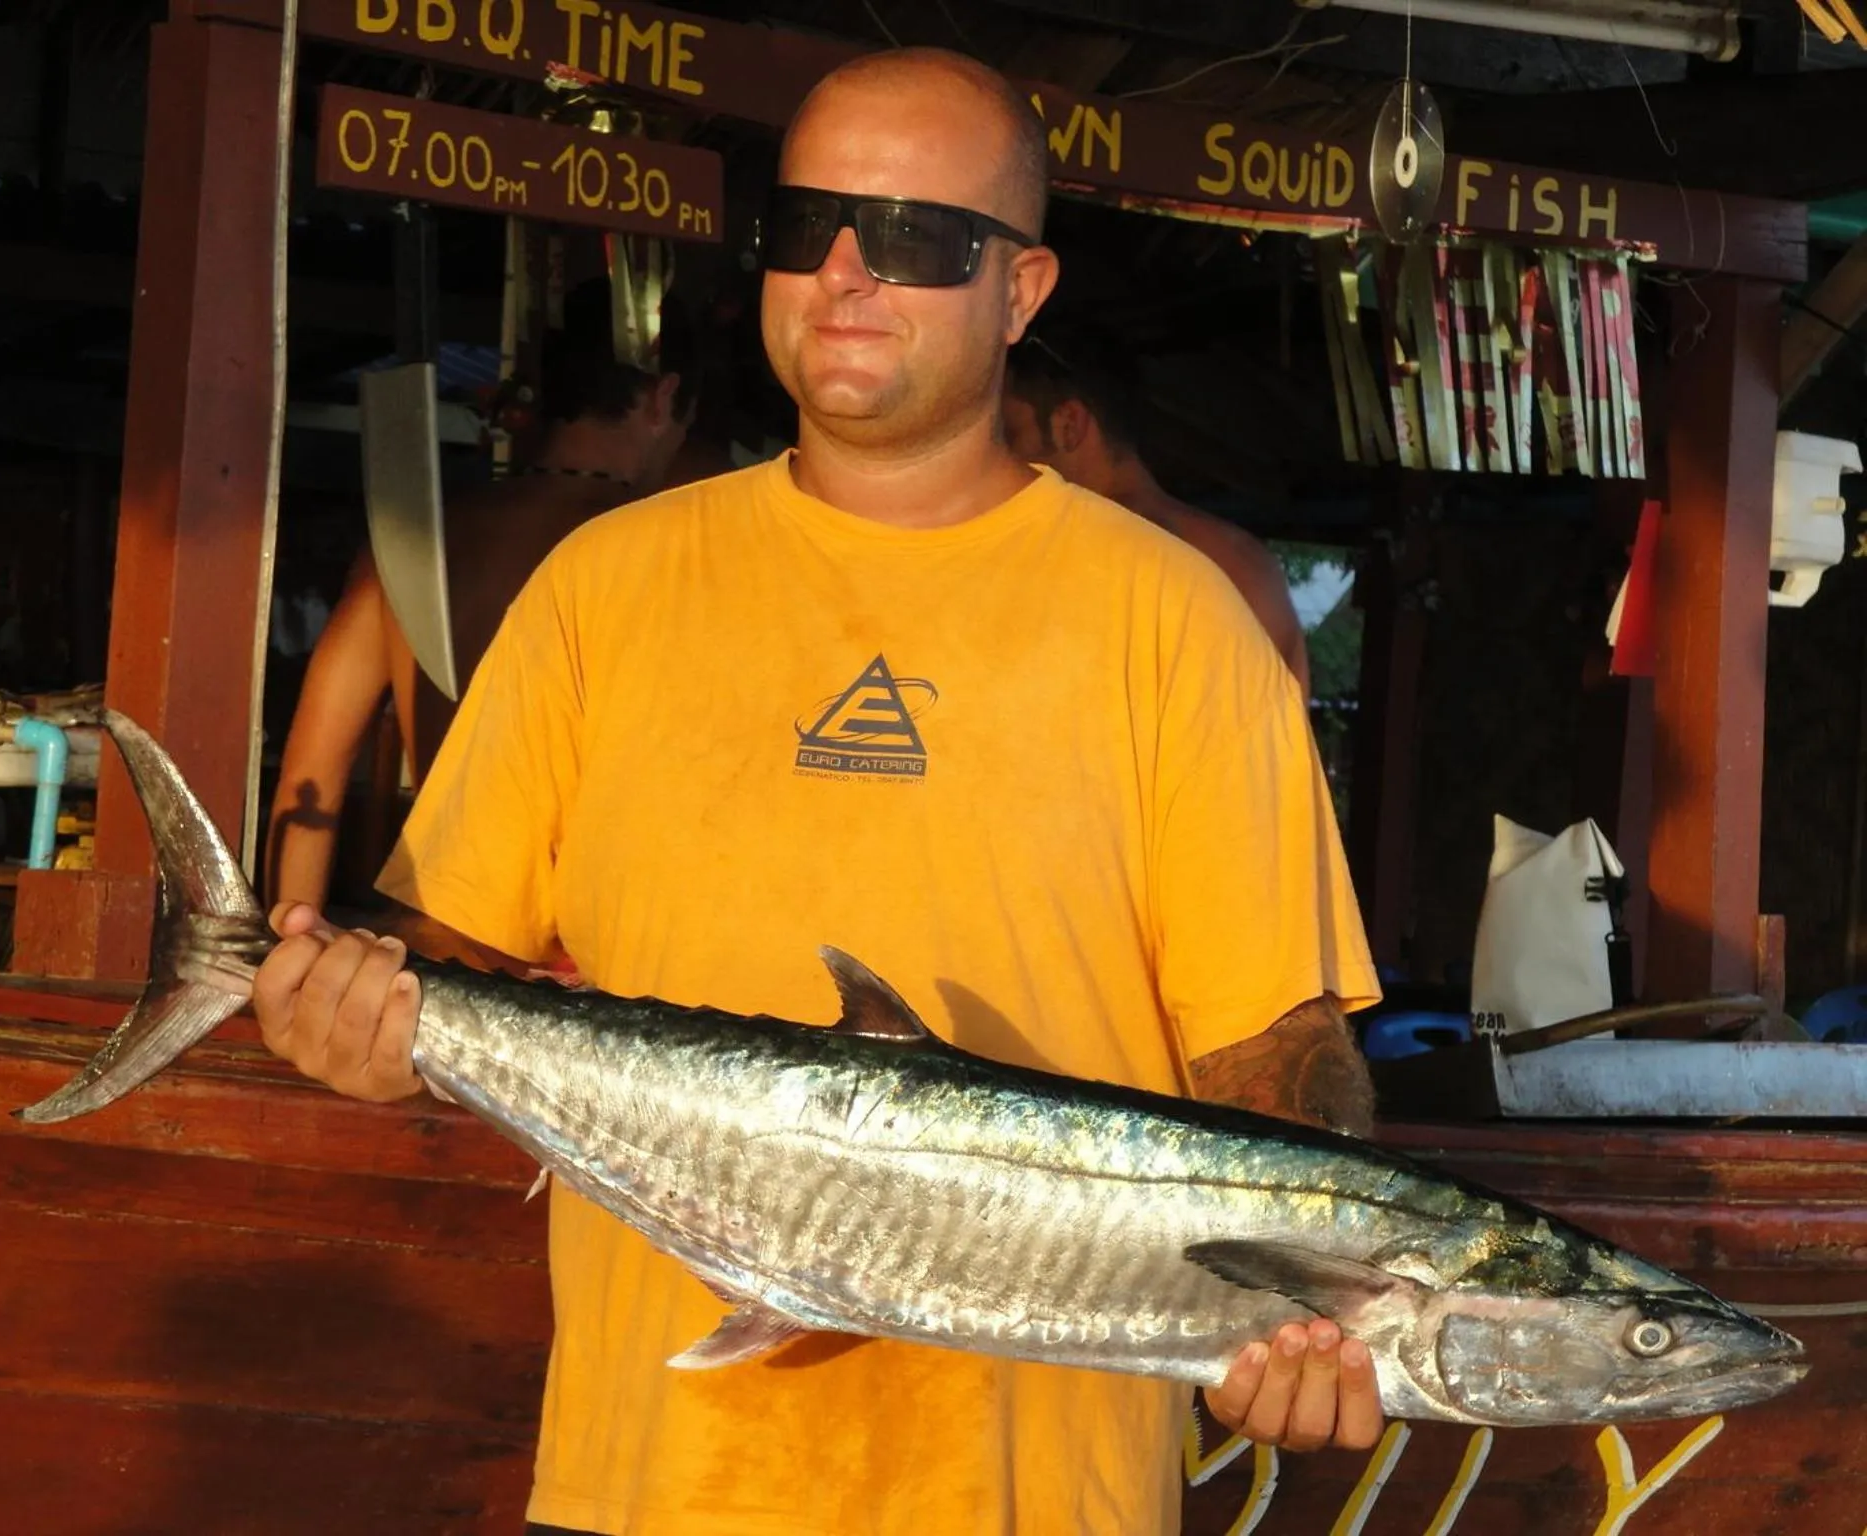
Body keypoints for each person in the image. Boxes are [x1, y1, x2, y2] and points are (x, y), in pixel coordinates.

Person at [251, 46, 1383, 1536]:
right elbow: (449, 963)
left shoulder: (1175, 625)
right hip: (649, 1480)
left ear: (1022, 292)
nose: (847, 272)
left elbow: (1276, 1056)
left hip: (1036, 1498)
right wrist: (356, 1026)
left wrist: (1327, 1310)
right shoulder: (608, 586)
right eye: (809, 228)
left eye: (914, 240)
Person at [261, 278, 699, 912]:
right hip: (590, 955)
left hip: (438, 933)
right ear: (664, 398)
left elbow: (310, 784)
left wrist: (290, 951)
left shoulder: (418, 543)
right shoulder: (671, 551)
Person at [1004, 330, 1313, 691]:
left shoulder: (1088, 555)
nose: (1001, 463)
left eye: (1011, 436)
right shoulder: (1248, 561)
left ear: (1068, 426)